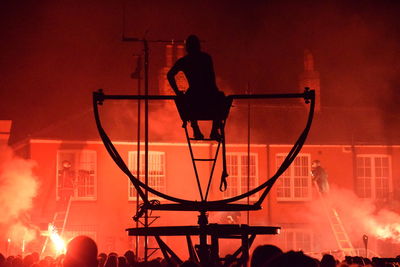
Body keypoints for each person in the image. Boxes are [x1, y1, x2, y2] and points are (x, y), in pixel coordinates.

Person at [167, 34, 225, 140]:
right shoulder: (206, 58)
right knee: (220, 96)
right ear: (199, 46)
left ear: (187, 48)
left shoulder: (184, 61)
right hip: (209, 97)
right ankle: (214, 130)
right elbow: (211, 78)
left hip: (194, 98)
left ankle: (195, 129)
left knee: (188, 98)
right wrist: (214, 92)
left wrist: (177, 92)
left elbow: (169, 75)